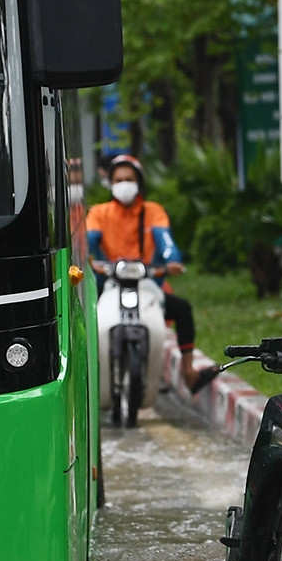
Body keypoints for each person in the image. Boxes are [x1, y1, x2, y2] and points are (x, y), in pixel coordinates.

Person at [85, 154, 201, 391]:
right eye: (118, 179)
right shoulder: (99, 213)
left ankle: (188, 370)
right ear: (110, 183)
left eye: (129, 178)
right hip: (109, 282)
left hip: (146, 282)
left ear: (139, 182)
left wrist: (172, 260)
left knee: (182, 309)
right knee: (86, 319)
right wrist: (86, 259)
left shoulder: (153, 211)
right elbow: (89, 240)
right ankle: (86, 371)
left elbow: (165, 240)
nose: (124, 184)